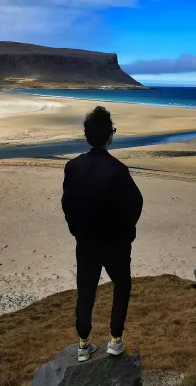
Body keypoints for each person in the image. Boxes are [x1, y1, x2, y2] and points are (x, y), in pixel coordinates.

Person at [61, 106, 144, 362]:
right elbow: (135, 205)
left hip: (86, 242)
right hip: (114, 244)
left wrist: (77, 231)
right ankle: (115, 341)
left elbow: (67, 204)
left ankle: (83, 344)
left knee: (86, 290)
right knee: (122, 285)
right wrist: (127, 234)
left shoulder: (72, 167)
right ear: (109, 136)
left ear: (88, 136)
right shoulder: (117, 171)